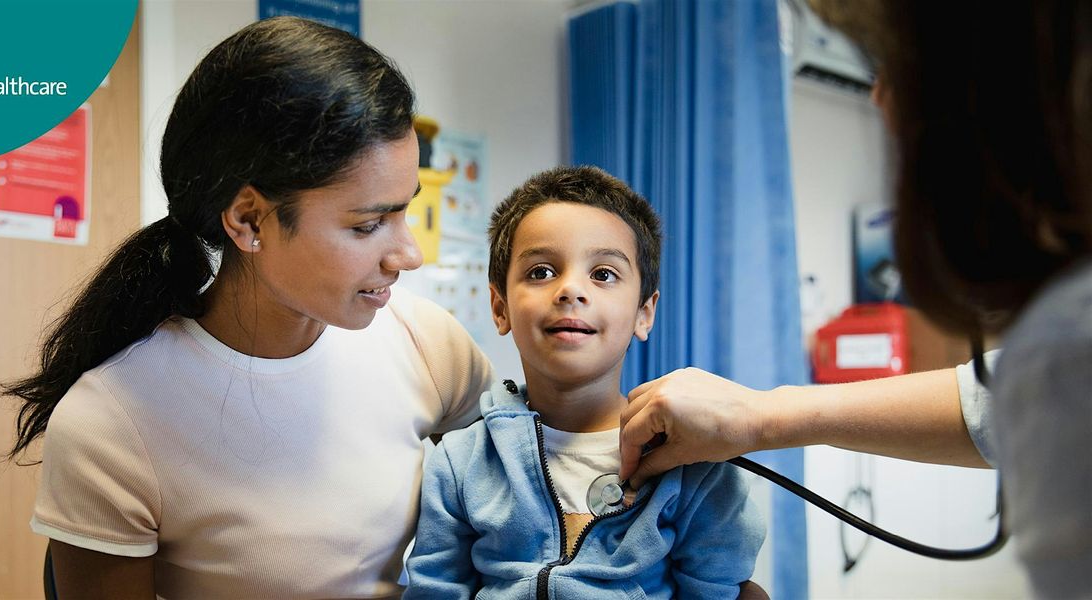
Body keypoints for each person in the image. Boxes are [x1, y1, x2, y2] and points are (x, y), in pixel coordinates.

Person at [2, 17, 494, 598]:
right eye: (368, 225)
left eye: (403, 211)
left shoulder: (426, 341)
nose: (407, 254)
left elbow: (533, 482)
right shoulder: (111, 423)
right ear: (249, 219)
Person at [619, 2, 1092, 597]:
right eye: (540, 271)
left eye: (894, 65)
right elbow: (992, 400)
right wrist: (763, 416)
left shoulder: (1070, 340)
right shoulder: (472, 462)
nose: (880, 98)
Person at [404, 166, 765, 599]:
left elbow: (717, 589)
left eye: (604, 274)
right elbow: (434, 589)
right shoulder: (461, 463)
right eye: (541, 272)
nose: (571, 289)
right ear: (500, 307)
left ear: (643, 313)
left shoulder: (692, 463)